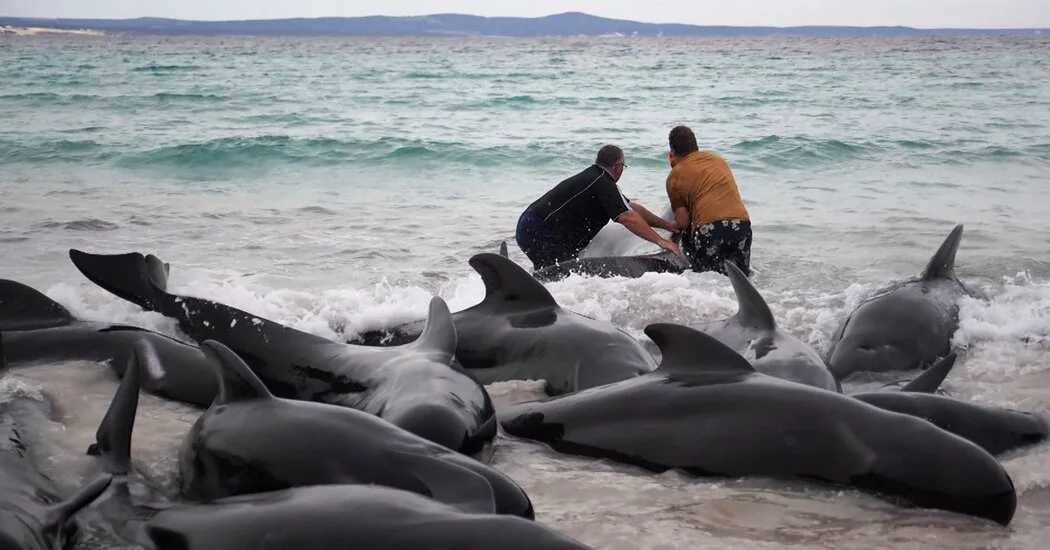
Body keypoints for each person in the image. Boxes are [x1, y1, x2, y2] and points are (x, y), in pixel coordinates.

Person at [515, 144, 682, 271]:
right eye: (623, 166)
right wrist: (661, 241)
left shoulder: (597, 180)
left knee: (556, 272)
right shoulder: (602, 183)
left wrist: (666, 225)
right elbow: (627, 217)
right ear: (617, 167)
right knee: (561, 275)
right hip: (539, 229)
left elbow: (631, 209)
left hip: (531, 225)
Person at [664, 125, 753, 276]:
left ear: (672, 152)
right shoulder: (718, 160)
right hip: (742, 225)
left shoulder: (675, 176)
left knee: (708, 280)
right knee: (740, 280)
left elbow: (684, 223)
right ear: (696, 146)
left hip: (710, 229)